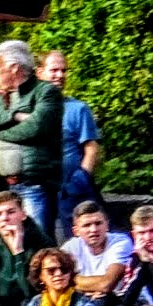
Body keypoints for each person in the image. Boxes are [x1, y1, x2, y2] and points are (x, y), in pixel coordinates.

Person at [0, 39, 63, 235]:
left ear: (14, 67)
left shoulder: (46, 92)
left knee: (37, 242)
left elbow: (34, 129)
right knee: (8, 242)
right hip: (2, 187)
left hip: (33, 186)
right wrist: (13, 116)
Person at [36, 50, 103, 241]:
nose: (60, 75)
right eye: (54, 70)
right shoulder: (30, 109)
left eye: (64, 70)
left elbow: (91, 148)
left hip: (72, 188)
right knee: (40, 241)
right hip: (38, 189)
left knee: (80, 241)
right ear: (40, 72)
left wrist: (80, 179)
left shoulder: (78, 108)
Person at [61, 200, 132, 306]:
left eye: (98, 223)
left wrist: (71, 282)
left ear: (107, 225)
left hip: (120, 301)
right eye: (87, 225)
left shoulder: (121, 242)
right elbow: (56, 282)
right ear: (76, 231)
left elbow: (107, 284)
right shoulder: (70, 247)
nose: (93, 229)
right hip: (85, 301)